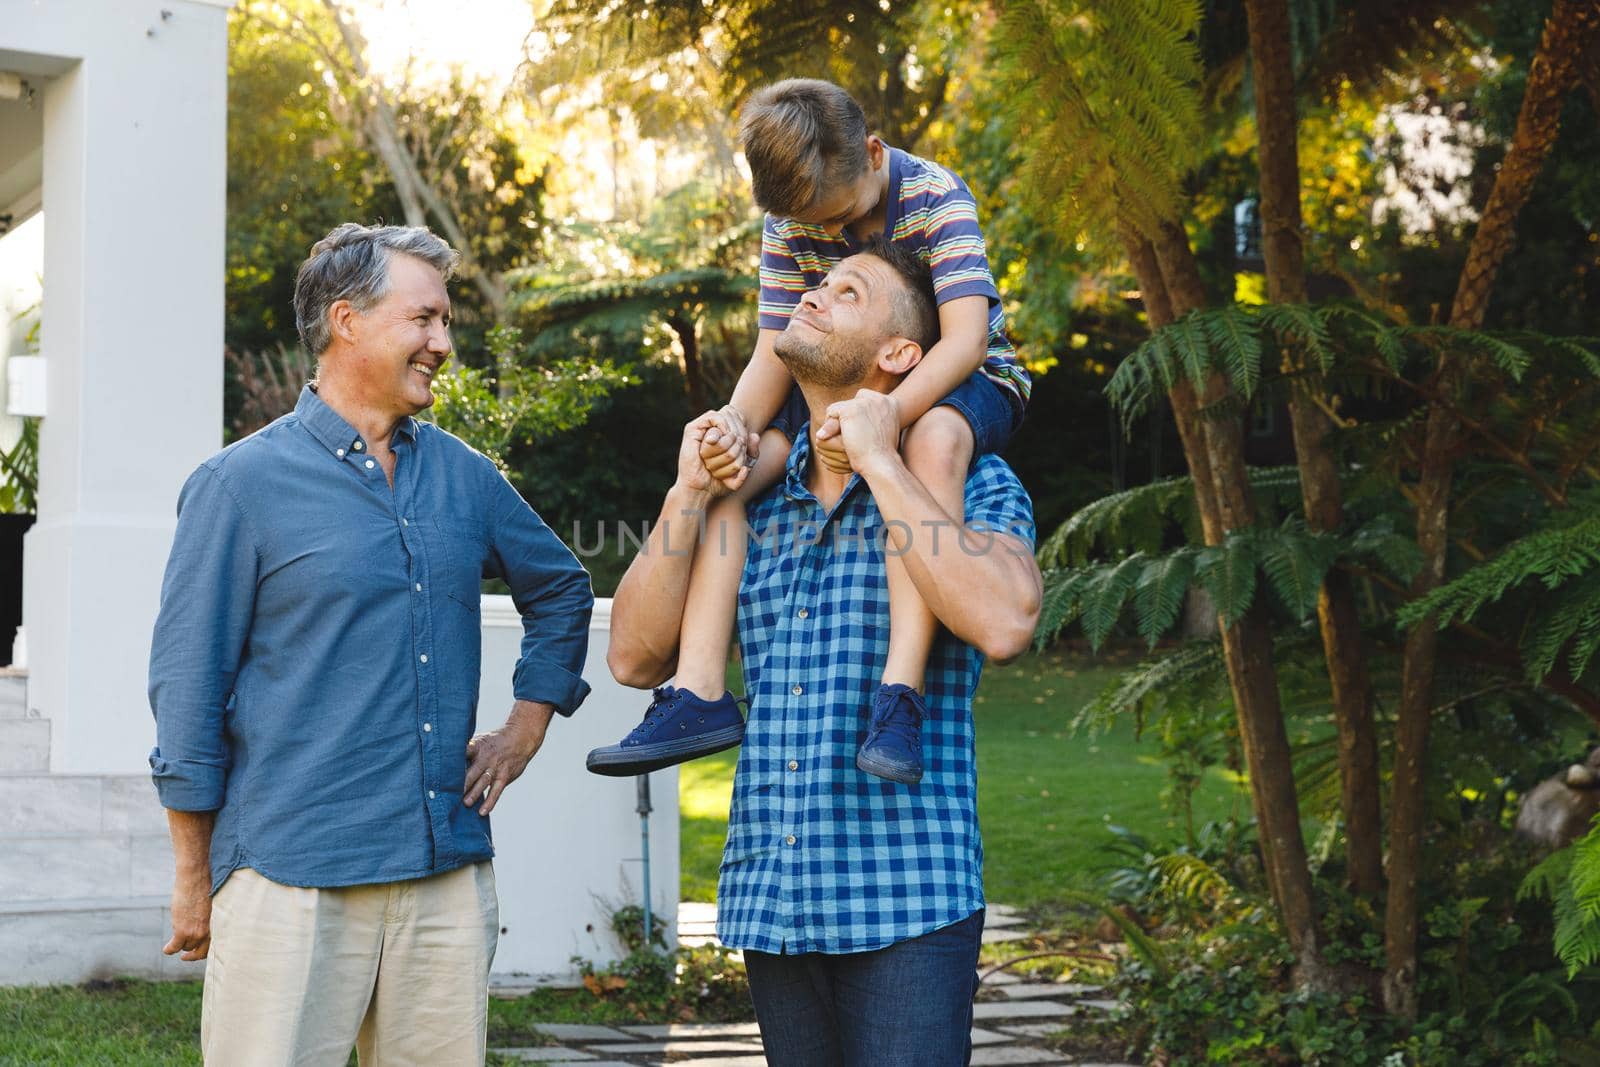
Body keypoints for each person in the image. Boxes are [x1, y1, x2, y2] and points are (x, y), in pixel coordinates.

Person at [147, 223, 594, 1065]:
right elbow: (187, 690)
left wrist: (525, 726)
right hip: (291, 877)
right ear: (347, 321)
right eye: (425, 319)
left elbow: (562, 588)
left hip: (444, 879)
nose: (444, 343)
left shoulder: (466, 476)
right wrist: (191, 876)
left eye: (446, 321)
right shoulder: (237, 486)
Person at [607, 238, 1042, 1064]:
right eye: (816, 284)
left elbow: (1007, 622)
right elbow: (632, 658)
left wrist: (881, 456)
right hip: (775, 900)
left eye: (847, 292)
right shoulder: (754, 499)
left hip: (908, 902)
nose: (811, 296)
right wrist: (688, 491)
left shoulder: (968, 479)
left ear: (900, 354)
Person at [586, 78, 1030, 785]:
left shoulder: (937, 195)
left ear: (874, 155)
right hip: (837, 384)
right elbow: (772, 349)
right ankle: (699, 689)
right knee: (742, 469)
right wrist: (732, 427)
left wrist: (885, 418)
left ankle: (900, 692)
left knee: (932, 446)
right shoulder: (790, 218)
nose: (827, 238)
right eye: (810, 226)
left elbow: (966, 342)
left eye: (840, 217)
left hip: (960, 374)